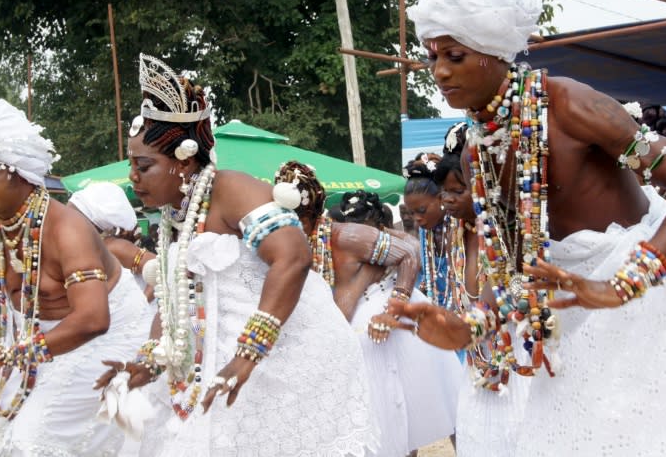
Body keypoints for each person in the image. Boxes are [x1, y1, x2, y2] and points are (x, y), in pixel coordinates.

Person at [387, 0, 666, 455]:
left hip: (651, 302)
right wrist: (472, 325)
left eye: (455, 55)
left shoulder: (571, 103)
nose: (439, 72)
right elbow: (512, 266)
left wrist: (625, 284)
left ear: (493, 50)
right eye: (432, 57)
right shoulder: (476, 150)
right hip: (572, 313)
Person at [94, 54, 376, 457]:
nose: (133, 177)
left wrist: (247, 355)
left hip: (279, 365)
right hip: (209, 372)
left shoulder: (230, 189)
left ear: (184, 161)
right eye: (131, 166)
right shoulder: (177, 216)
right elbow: (176, 302)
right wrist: (147, 363)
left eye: (144, 165)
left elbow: (293, 258)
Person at [0, 99, 151, 456]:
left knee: (33, 440)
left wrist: (10, 356)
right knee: (5, 436)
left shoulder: (67, 229)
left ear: (21, 173)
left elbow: (94, 319)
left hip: (109, 337)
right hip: (44, 342)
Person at [275, 164, 461, 457]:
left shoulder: (346, 236)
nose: (287, 228)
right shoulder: (288, 244)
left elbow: (409, 251)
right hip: (351, 337)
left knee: (421, 417)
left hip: (387, 327)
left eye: (294, 221)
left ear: (311, 216)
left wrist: (392, 308)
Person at [68, 182, 157, 308]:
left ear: (93, 223)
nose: (66, 223)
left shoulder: (113, 247)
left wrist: (139, 306)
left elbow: (158, 270)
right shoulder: (86, 249)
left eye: (73, 218)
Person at [402, 154, 449, 307]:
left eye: (422, 210)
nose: (417, 218)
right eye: (412, 213)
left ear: (441, 198)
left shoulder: (463, 227)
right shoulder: (425, 231)